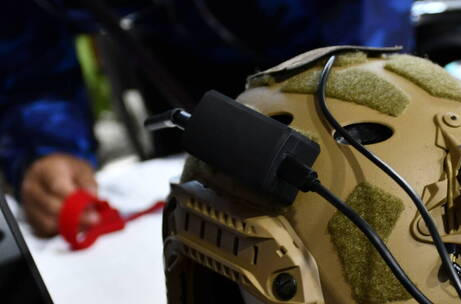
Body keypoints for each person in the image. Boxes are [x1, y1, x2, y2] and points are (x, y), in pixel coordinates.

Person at [0, 0, 414, 236]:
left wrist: (361, 101)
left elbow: (368, 14)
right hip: (181, 62)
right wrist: (44, 144)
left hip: (326, 43)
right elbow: (28, 54)